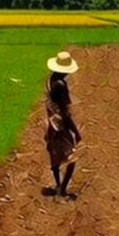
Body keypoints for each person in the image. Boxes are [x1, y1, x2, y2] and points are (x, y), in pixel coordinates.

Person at [44, 51, 82, 197]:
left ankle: (58, 184)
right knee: (71, 158)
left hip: (50, 123)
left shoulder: (51, 79)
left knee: (54, 155)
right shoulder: (61, 84)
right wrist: (75, 131)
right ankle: (63, 189)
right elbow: (65, 113)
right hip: (60, 126)